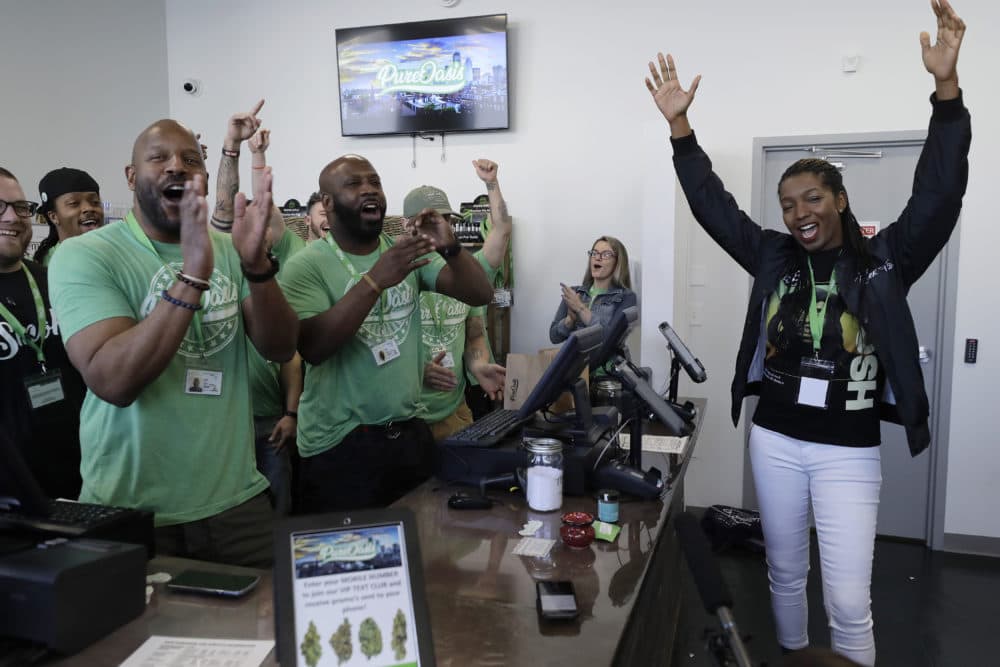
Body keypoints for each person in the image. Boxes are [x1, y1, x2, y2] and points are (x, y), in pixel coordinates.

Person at [644, 2, 969, 664]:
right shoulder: (772, 255)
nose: (798, 213)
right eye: (788, 204)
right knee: (785, 577)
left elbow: (937, 194)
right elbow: (714, 207)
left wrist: (946, 93)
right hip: (776, 438)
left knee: (849, 600)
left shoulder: (885, 259)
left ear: (841, 201)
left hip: (849, 450)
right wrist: (681, 128)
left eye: (812, 199)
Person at [48, 117, 299, 567]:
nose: (176, 168)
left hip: (236, 501)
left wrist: (258, 266)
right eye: (158, 157)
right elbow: (113, 381)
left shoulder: (227, 248)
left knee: (269, 629)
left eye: (190, 159)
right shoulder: (84, 255)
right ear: (130, 176)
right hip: (131, 508)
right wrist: (192, 274)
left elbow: (280, 347)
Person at [279, 154, 494, 513]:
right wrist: (376, 279)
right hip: (339, 443)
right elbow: (314, 347)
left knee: (420, 549)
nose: (370, 191)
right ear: (327, 203)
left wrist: (451, 248)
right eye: (354, 184)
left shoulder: (404, 254)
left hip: (407, 431)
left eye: (374, 183)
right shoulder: (306, 264)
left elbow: (479, 293)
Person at [214, 115, 306, 516]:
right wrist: (239, 150)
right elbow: (226, 205)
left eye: (263, 222)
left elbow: (291, 356)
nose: (257, 228)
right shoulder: (218, 258)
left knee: (278, 504)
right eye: (245, 220)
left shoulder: (284, 256)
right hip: (226, 414)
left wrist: (290, 412)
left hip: (270, 417)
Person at [408, 159, 511, 441]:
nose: (443, 229)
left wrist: (477, 365)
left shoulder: (467, 275)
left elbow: (475, 333)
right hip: (410, 421)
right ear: (409, 227)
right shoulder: (397, 275)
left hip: (455, 412)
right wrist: (415, 372)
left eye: (447, 222)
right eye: (432, 223)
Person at [0, 167, 86, 499]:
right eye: (0, 207)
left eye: (21, 207)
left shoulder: (56, 279)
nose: (13, 217)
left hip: (78, 469)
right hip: (11, 485)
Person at [549, 235, 637, 371]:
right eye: (594, 253)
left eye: (606, 254)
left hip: (607, 376)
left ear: (618, 263)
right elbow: (554, 337)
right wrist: (569, 321)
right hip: (575, 372)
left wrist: (581, 309)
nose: (597, 257)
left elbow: (610, 339)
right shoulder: (574, 293)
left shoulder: (627, 297)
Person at [33, 167, 105, 267]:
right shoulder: (45, 266)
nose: (88, 208)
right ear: (54, 217)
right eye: (74, 203)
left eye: (95, 202)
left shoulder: (114, 257)